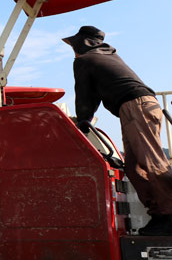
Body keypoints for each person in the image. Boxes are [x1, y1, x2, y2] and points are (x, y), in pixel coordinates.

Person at [62, 25, 172, 236]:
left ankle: (169, 215)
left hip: (135, 106)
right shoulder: (108, 56)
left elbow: (85, 94)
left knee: (151, 162)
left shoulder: (84, 60)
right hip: (139, 106)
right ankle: (159, 216)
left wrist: (82, 122)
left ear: (81, 44)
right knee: (133, 167)